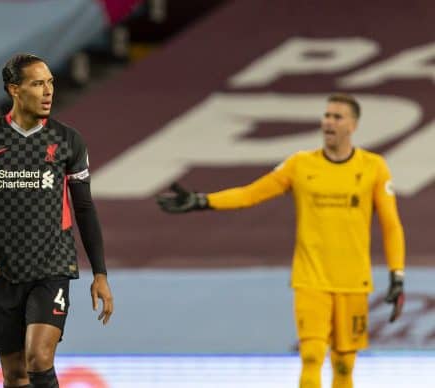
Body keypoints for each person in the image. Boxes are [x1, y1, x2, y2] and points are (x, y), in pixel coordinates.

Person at [157, 93, 405, 388]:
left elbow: (391, 224)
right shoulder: (300, 165)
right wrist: (203, 201)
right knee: (311, 356)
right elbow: (251, 193)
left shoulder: (374, 167)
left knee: (344, 363)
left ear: (353, 125)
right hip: (310, 280)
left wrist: (397, 274)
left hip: (353, 281)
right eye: (326, 115)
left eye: (337, 117)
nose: (328, 121)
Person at [0, 53, 113, 388]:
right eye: (37, 83)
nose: (48, 91)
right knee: (15, 375)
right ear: (14, 90)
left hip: (51, 267)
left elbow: (85, 208)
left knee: (38, 359)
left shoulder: (67, 141)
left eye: (50, 82)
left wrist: (100, 272)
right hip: (0, 269)